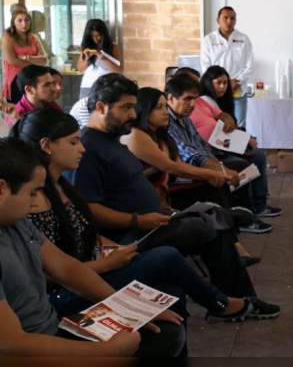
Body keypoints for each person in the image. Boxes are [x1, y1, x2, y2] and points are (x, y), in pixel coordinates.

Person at [12, 108, 258, 324]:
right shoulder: (32, 201)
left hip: (99, 260)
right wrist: (113, 254)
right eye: (73, 143)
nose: (81, 148)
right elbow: (51, 271)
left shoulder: (62, 187)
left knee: (173, 282)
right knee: (172, 252)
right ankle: (221, 303)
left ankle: (222, 299)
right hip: (68, 290)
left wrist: (114, 249)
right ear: (47, 146)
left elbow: (83, 232)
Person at [73, 74, 281, 317]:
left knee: (212, 221)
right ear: (100, 107)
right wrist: (137, 221)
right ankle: (226, 303)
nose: (132, 114)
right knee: (207, 224)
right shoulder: (88, 150)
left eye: (133, 107)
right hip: (129, 235)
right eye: (126, 108)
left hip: (152, 220)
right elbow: (89, 209)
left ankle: (237, 300)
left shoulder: (114, 141)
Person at [0, 138, 185, 356]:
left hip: (49, 329)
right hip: (28, 352)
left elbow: (65, 267)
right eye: (31, 193)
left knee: (166, 331)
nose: (34, 202)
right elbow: (10, 344)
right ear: (2, 189)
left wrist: (128, 308)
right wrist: (106, 352)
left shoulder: (16, 222)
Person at [166, 74, 280, 218]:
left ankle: (251, 209)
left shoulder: (188, 115)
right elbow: (188, 154)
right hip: (186, 170)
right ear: (170, 98)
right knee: (235, 168)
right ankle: (242, 216)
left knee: (253, 157)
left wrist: (219, 165)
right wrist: (219, 170)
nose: (193, 104)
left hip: (215, 150)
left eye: (195, 98)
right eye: (188, 99)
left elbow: (202, 145)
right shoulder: (168, 121)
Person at [201, 6, 253, 126]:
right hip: (216, 91)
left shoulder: (244, 39)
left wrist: (235, 82)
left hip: (238, 89)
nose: (229, 21)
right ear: (218, 20)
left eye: (232, 18)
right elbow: (206, 66)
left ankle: (240, 145)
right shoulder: (208, 40)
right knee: (217, 124)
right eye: (225, 18)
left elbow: (249, 66)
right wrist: (224, 83)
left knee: (239, 124)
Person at [2, 8, 48, 100]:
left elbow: (44, 59)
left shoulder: (34, 37)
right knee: (20, 110)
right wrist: (36, 63)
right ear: (13, 22)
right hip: (16, 79)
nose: (24, 24)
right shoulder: (8, 37)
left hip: (34, 78)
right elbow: (12, 61)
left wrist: (27, 57)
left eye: (27, 20)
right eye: (20, 20)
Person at [76, 19, 123, 98]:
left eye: (98, 35)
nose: (96, 38)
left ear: (104, 34)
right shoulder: (86, 48)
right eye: (92, 36)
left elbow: (118, 70)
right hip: (88, 85)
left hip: (107, 86)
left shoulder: (113, 47)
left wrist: (103, 58)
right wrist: (87, 59)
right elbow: (80, 69)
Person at [192, 65, 238, 140]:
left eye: (225, 82)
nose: (222, 86)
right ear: (208, 83)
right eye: (218, 82)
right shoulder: (203, 100)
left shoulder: (226, 100)